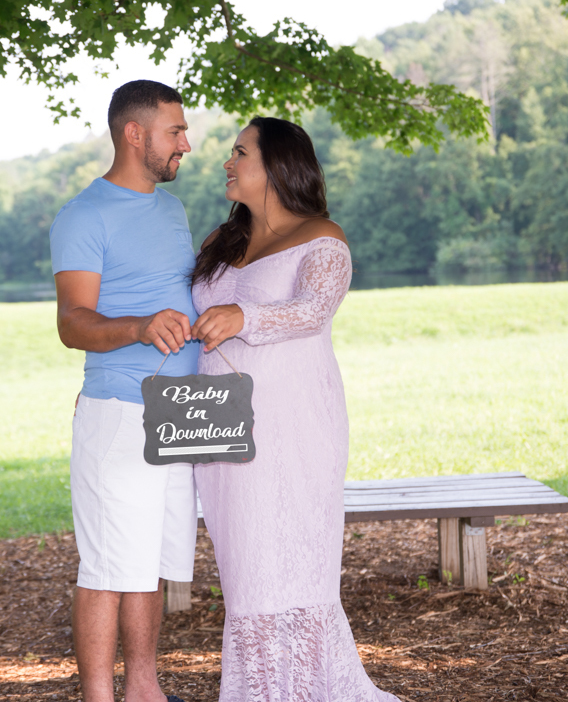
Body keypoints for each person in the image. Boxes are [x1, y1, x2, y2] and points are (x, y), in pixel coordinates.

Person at [189, 117, 399, 701]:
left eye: (240, 152)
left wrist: (244, 317)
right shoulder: (219, 242)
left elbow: (313, 310)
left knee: (293, 565)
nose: (228, 162)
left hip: (293, 424)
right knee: (245, 571)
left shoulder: (322, 236)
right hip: (219, 420)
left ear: (278, 165)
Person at [49, 80, 199, 702]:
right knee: (108, 566)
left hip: (179, 415)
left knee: (151, 561)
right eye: (175, 131)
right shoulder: (84, 215)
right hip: (119, 412)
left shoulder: (172, 210)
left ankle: (143, 688)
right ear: (135, 134)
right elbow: (72, 323)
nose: (186, 144)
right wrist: (139, 327)